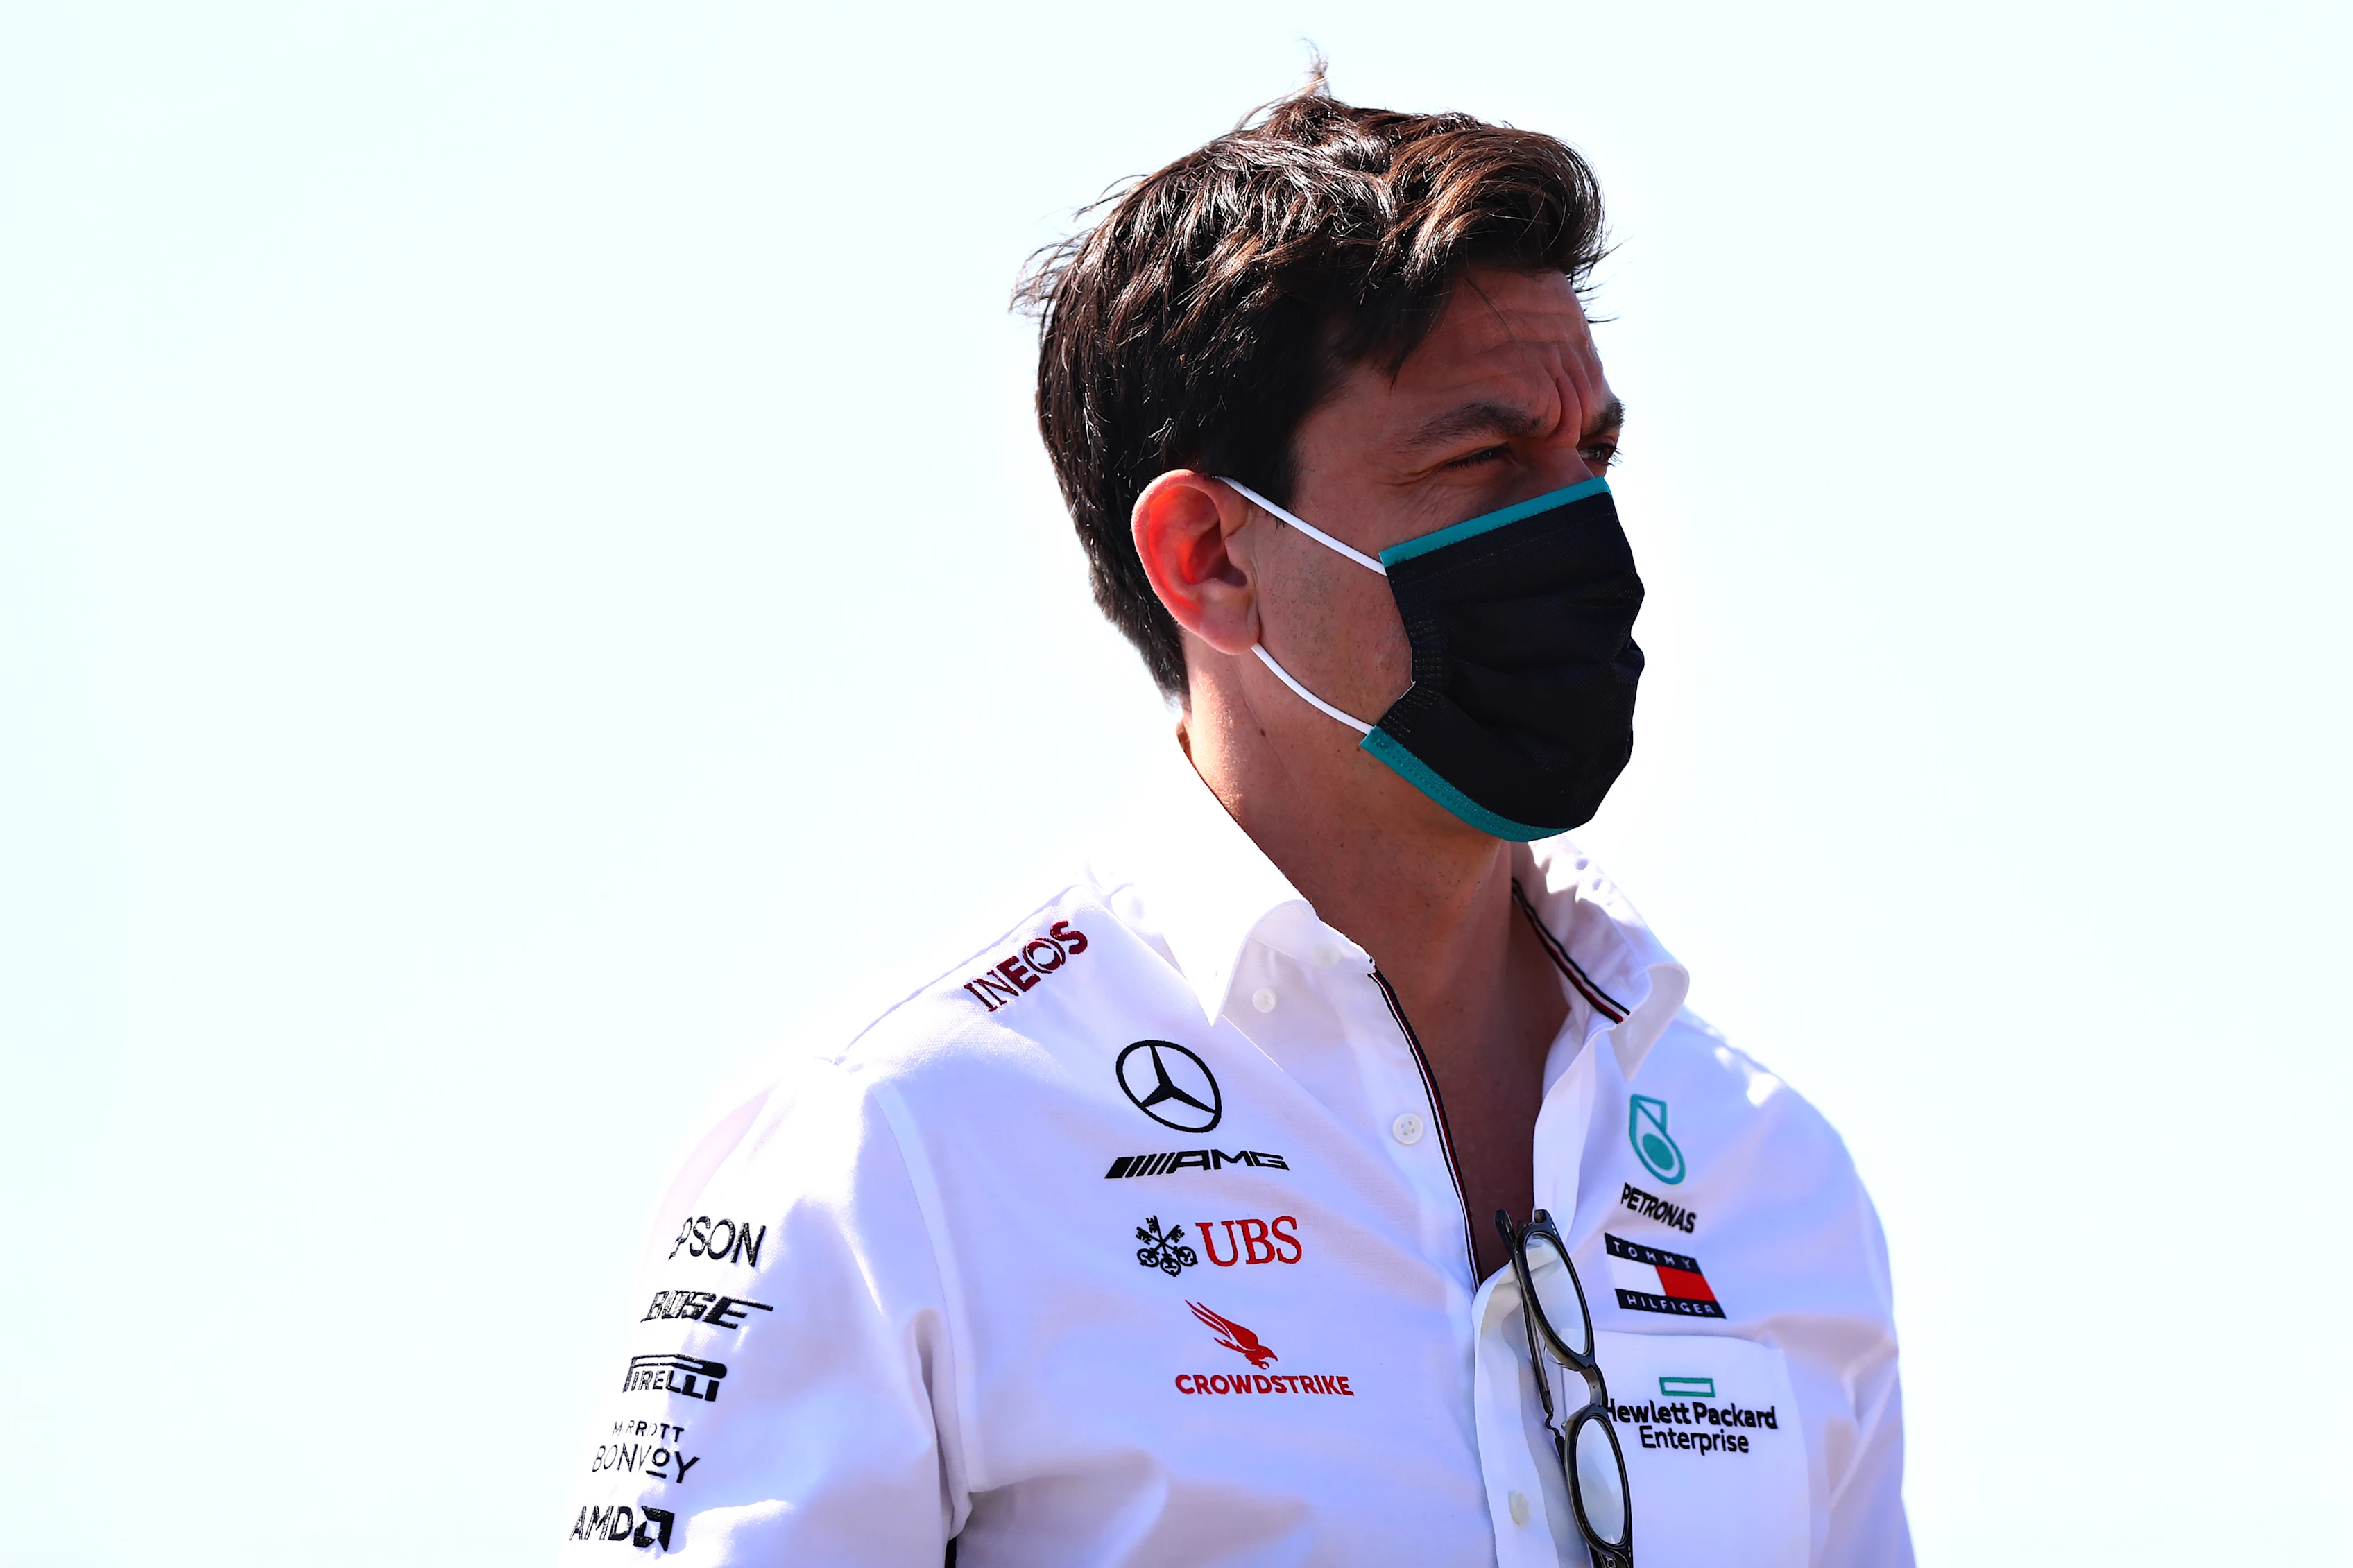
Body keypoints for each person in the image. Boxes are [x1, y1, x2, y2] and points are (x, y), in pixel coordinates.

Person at [557, 77, 1908, 1567]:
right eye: (1481, 464)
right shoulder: (897, 1147)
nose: (1581, 535)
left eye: (1589, 457)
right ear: (1208, 556)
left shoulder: (1767, 1168)